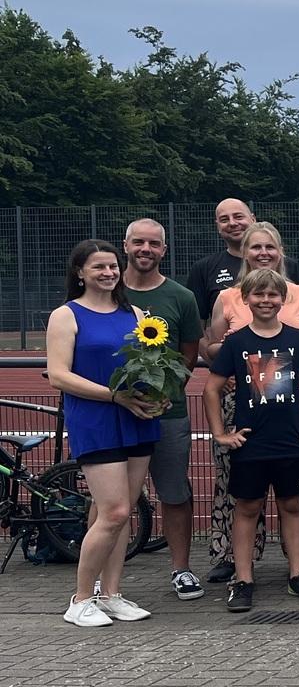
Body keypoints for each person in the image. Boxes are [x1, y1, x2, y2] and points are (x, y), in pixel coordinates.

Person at [203, 222, 299, 584]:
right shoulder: (234, 333)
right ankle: (242, 577)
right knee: (246, 506)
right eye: (258, 296)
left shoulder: (298, 330)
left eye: (272, 296)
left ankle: (298, 572)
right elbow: (210, 385)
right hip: (250, 435)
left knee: (294, 505)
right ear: (246, 299)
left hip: (291, 434)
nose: (265, 301)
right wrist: (220, 433)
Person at [48, 240, 164, 627]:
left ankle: (111, 594)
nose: (108, 273)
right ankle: (80, 599)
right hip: (97, 420)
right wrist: (114, 397)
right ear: (80, 272)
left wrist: (156, 395)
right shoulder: (66, 315)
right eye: (98, 267)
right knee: (113, 511)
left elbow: (149, 364)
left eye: (112, 266)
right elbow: (60, 375)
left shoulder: (133, 312)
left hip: (136, 417)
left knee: (121, 510)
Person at [120, 218, 205, 601]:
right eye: (139, 242)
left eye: (154, 244)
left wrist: (166, 392)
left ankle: (181, 569)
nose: (146, 249)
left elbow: (188, 355)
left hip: (168, 414)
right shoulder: (106, 291)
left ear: (164, 250)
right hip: (117, 413)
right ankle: (108, 574)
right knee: (114, 499)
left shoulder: (181, 297)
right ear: (126, 245)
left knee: (174, 492)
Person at [186, 198, 299, 319]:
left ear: (253, 219)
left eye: (238, 217)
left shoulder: (288, 265)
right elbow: (197, 326)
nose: (232, 223)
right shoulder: (203, 268)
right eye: (224, 220)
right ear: (217, 226)